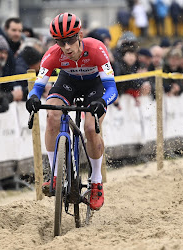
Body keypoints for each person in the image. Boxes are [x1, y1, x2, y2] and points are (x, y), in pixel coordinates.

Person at [26, 13, 118, 211]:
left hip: (95, 86)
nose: (66, 47)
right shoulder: (52, 54)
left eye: (70, 40)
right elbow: (38, 87)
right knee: (52, 116)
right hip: (68, 83)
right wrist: (33, 98)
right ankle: (55, 175)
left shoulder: (96, 49)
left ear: (80, 36)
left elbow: (112, 89)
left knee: (91, 127)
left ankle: (96, 182)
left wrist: (102, 102)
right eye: (60, 42)